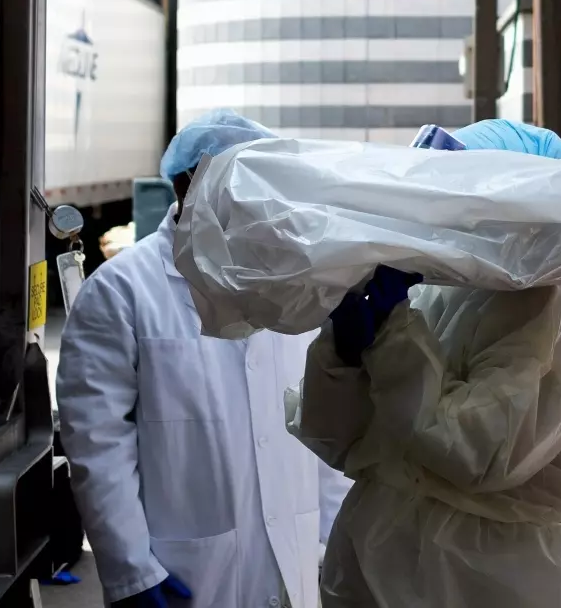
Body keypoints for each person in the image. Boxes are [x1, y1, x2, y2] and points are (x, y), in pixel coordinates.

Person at [286, 120, 561, 607]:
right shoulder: (437, 286)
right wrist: (342, 354)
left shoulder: (546, 308)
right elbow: (336, 438)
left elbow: (479, 454)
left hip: (494, 577)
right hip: (376, 560)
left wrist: (391, 340)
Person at [57, 110, 352, 608]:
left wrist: (340, 538)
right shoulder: (122, 289)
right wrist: (131, 570)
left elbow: (322, 426)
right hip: (180, 569)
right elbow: (97, 443)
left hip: (293, 561)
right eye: (235, 182)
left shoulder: (292, 283)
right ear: (186, 187)